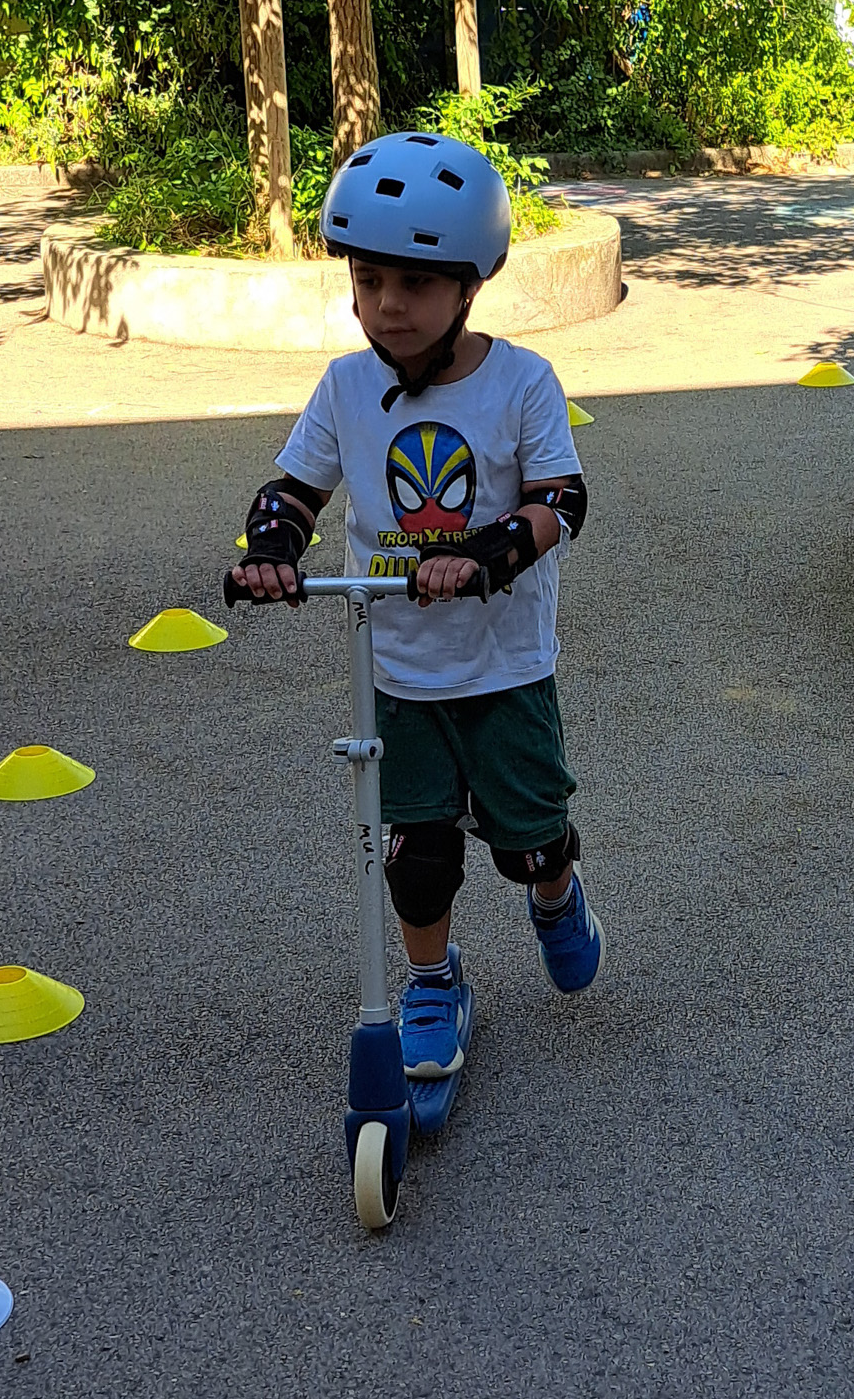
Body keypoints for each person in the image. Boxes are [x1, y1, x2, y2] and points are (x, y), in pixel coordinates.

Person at [229, 131, 601, 1082]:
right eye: (367, 280)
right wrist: (273, 548)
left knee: (525, 843)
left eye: (416, 284)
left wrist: (488, 551)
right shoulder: (348, 386)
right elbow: (296, 490)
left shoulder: (521, 382)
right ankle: (432, 981)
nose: (387, 306)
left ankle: (554, 892)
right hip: (393, 668)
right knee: (417, 851)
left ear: (471, 285)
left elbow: (562, 498)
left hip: (503, 664)